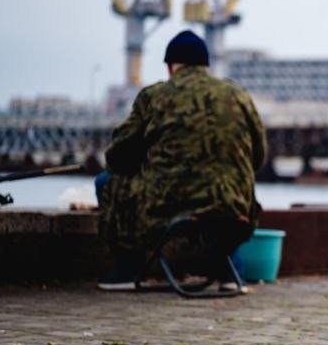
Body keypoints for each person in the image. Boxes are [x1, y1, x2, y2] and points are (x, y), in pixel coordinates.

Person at [97, 30, 267, 289]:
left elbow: (117, 156)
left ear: (170, 67)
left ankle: (127, 271)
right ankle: (229, 273)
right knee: (224, 192)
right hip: (233, 211)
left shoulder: (155, 96)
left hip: (165, 208)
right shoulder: (237, 95)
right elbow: (259, 156)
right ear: (205, 65)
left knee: (105, 181)